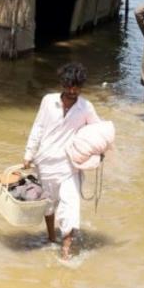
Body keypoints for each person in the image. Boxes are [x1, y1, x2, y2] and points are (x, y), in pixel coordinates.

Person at [23, 62, 100, 259]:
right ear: (62, 84)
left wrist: (98, 152)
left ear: (81, 87)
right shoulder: (48, 102)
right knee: (48, 206)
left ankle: (65, 252)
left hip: (69, 167)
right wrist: (29, 154)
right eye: (68, 86)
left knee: (71, 205)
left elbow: (97, 132)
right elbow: (38, 128)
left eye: (76, 87)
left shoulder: (86, 108)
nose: (72, 91)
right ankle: (50, 239)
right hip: (45, 163)